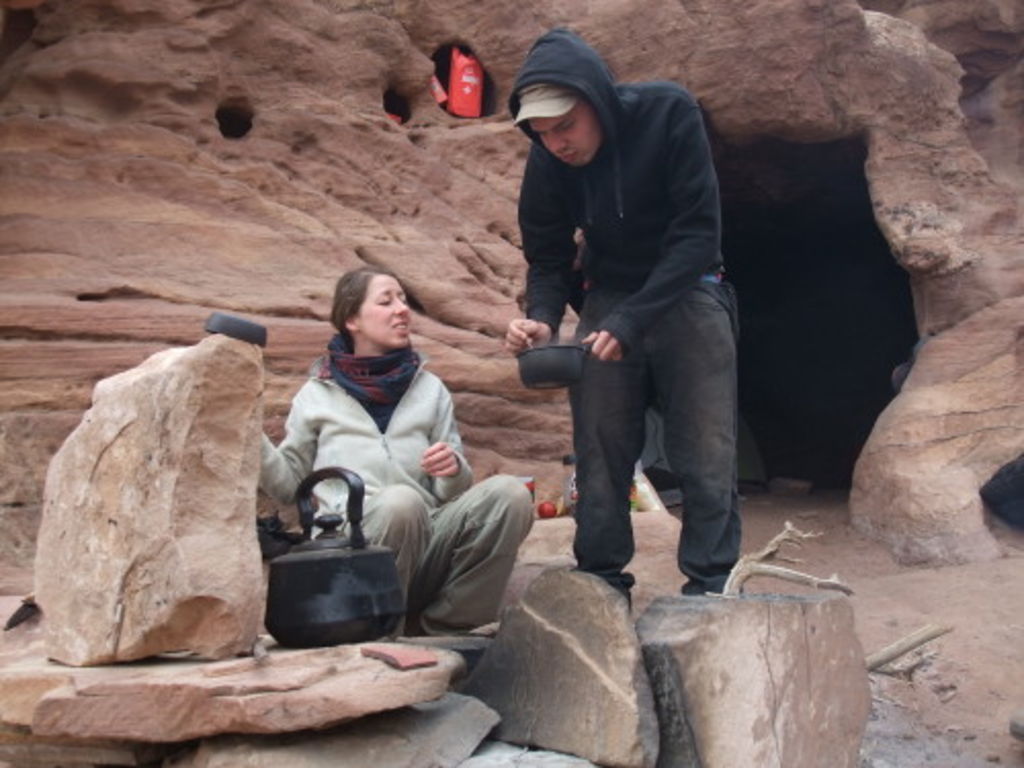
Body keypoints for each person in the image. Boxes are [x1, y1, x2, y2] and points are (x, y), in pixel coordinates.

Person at [503, 28, 740, 598]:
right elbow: (548, 256)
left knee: (706, 448)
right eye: (542, 132)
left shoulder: (668, 113)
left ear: (598, 100)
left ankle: (711, 585)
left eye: (566, 125)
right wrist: (540, 316)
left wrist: (633, 321)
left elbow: (698, 236)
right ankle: (602, 584)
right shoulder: (548, 161)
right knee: (600, 449)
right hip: (609, 295)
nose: (557, 143)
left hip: (689, 287)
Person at [262, 266, 534, 634]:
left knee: (510, 495)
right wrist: (248, 435)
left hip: (425, 540)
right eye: (386, 301)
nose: (402, 310)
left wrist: (452, 470)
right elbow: (287, 485)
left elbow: (449, 492)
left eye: (404, 300)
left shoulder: (430, 388)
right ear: (352, 319)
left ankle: (446, 630)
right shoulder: (317, 394)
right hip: (352, 556)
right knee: (399, 503)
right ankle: (381, 634)